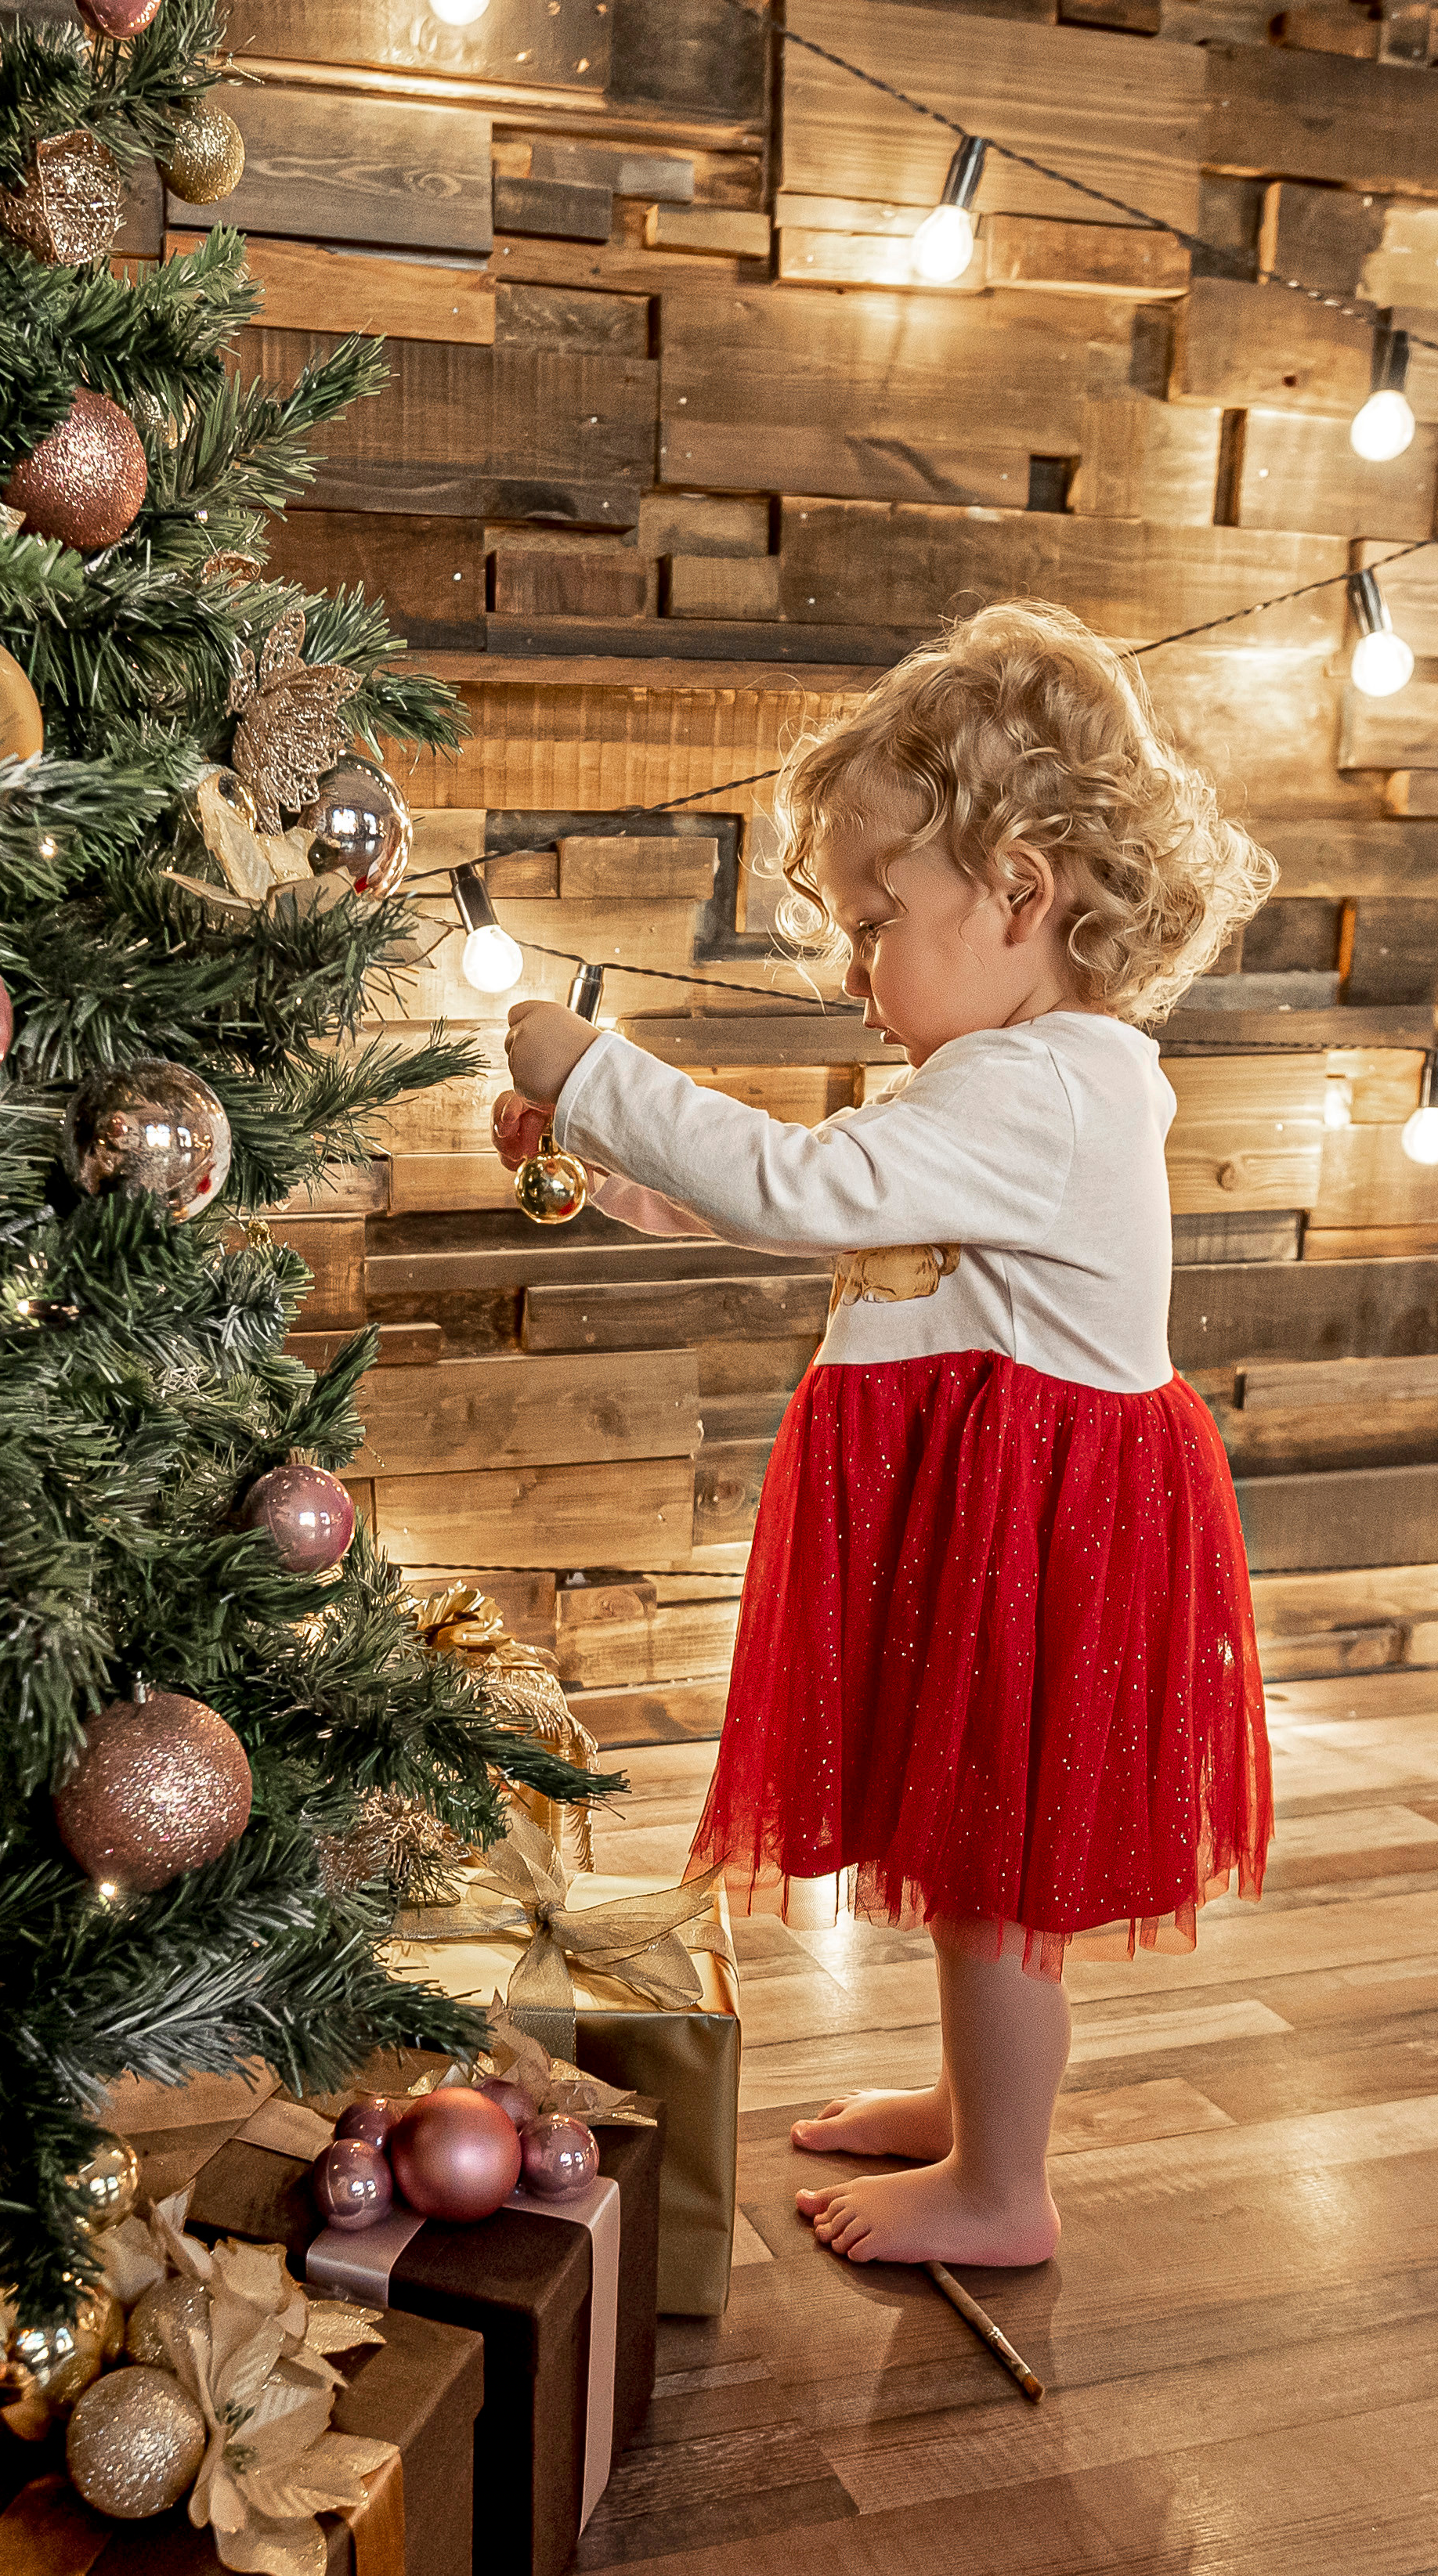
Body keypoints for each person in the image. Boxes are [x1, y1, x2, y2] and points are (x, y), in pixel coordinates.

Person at [492, 600, 1275, 2271]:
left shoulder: (1035, 1085)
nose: (854, 968)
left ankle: (1002, 2185)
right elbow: (833, 1223)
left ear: (1016, 893)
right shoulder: (1018, 1073)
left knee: (996, 1863)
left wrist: (597, 1071)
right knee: (971, 1831)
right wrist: (613, 1166)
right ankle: (971, 2106)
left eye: (874, 918)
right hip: (998, 1508)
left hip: (1030, 1523)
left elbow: (799, 1184)